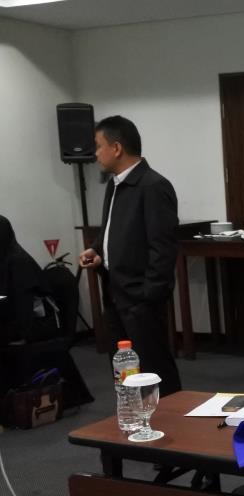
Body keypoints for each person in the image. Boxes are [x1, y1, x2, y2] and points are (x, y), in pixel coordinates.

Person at [78, 115, 181, 395]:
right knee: (125, 370)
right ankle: (133, 416)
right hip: (115, 291)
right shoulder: (114, 184)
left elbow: (163, 248)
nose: (95, 154)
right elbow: (111, 228)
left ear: (116, 148)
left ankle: (170, 416)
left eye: (98, 146)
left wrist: (150, 294)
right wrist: (97, 249)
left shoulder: (153, 185)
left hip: (140, 297)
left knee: (154, 368)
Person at [0, 215, 46, 345]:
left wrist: (20, 336)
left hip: (21, 334)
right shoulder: (4, 258)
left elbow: (22, 308)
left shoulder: (19, 262)